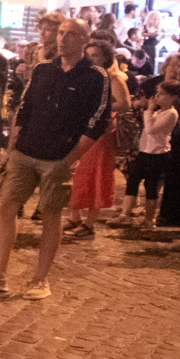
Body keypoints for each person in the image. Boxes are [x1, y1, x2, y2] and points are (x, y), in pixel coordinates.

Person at [0, 19, 112, 300]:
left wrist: (70, 158)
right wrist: (13, 147)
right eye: (61, 32)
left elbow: (97, 122)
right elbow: (24, 108)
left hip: (58, 158)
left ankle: (40, 279)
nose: (63, 38)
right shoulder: (43, 70)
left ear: (85, 39)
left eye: (71, 34)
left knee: (51, 215)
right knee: (6, 206)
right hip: (26, 152)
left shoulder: (95, 77)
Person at [64, 38, 130, 239]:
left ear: (105, 58)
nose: (91, 59)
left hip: (101, 132)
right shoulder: (85, 76)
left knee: (96, 175)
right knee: (77, 172)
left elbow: (125, 104)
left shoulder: (112, 78)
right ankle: (74, 216)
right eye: (88, 55)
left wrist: (100, 108)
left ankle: (90, 222)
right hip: (81, 129)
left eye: (95, 56)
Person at [121, 85, 180, 232]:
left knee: (151, 187)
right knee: (132, 181)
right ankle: (124, 214)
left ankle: (149, 220)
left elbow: (151, 130)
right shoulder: (158, 111)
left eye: (161, 94)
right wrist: (144, 108)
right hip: (144, 152)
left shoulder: (171, 113)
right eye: (157, 93)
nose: (157, 97)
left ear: (172, 97)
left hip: (158, 155)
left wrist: (148, 111)